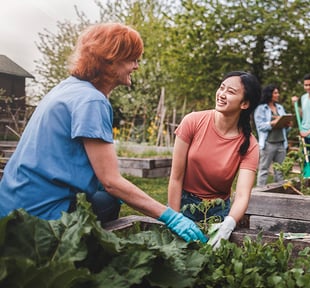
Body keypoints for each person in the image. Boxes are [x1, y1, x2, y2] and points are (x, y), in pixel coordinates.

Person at [0, 23, 206, 243]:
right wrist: (171, 216)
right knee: (109, 198)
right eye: (132, 59)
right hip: (41, 219)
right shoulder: (92, 100)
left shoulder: (67, 88)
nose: (136, 66)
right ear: (110, 60)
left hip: (12, 207)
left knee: (106, 196)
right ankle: (76, 257)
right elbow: (111, 181)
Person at [167, 71, 261, 248]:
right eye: (221, 88)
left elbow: (241, 195)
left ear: (245, 103)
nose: (222, 94)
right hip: (184, 203)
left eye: (231, 92)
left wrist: (229, 224)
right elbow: (176, 177)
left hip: (218, 212)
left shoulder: (250, 145)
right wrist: (174, 217)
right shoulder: (193, 121)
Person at [254, 84, 292, 186]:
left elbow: (285, 128)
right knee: (264, 169)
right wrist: (272, 123)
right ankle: (260, 193)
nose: (278, 95)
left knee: (280, 171)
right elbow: (260, 126)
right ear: (269, 94)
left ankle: (279, 192)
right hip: (268, 144)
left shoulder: (280, 108)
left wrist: (287, 125)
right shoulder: (261, 109)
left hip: (281, 143)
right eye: (275, 93)